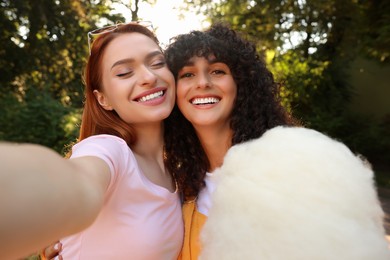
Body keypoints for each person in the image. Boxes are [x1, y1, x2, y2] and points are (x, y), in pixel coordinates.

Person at [163, 23, 390, 259]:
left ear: (241, 84)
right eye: (187, 74)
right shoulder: (181, 187)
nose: (202, 83)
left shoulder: (294, 169)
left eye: (218, 71)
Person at [0, 22, 183, 260]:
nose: (149, 76)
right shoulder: (108, 150)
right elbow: (76, 182)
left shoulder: (179, 169)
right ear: (103, 99)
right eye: (124, 73)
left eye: (157, 63)